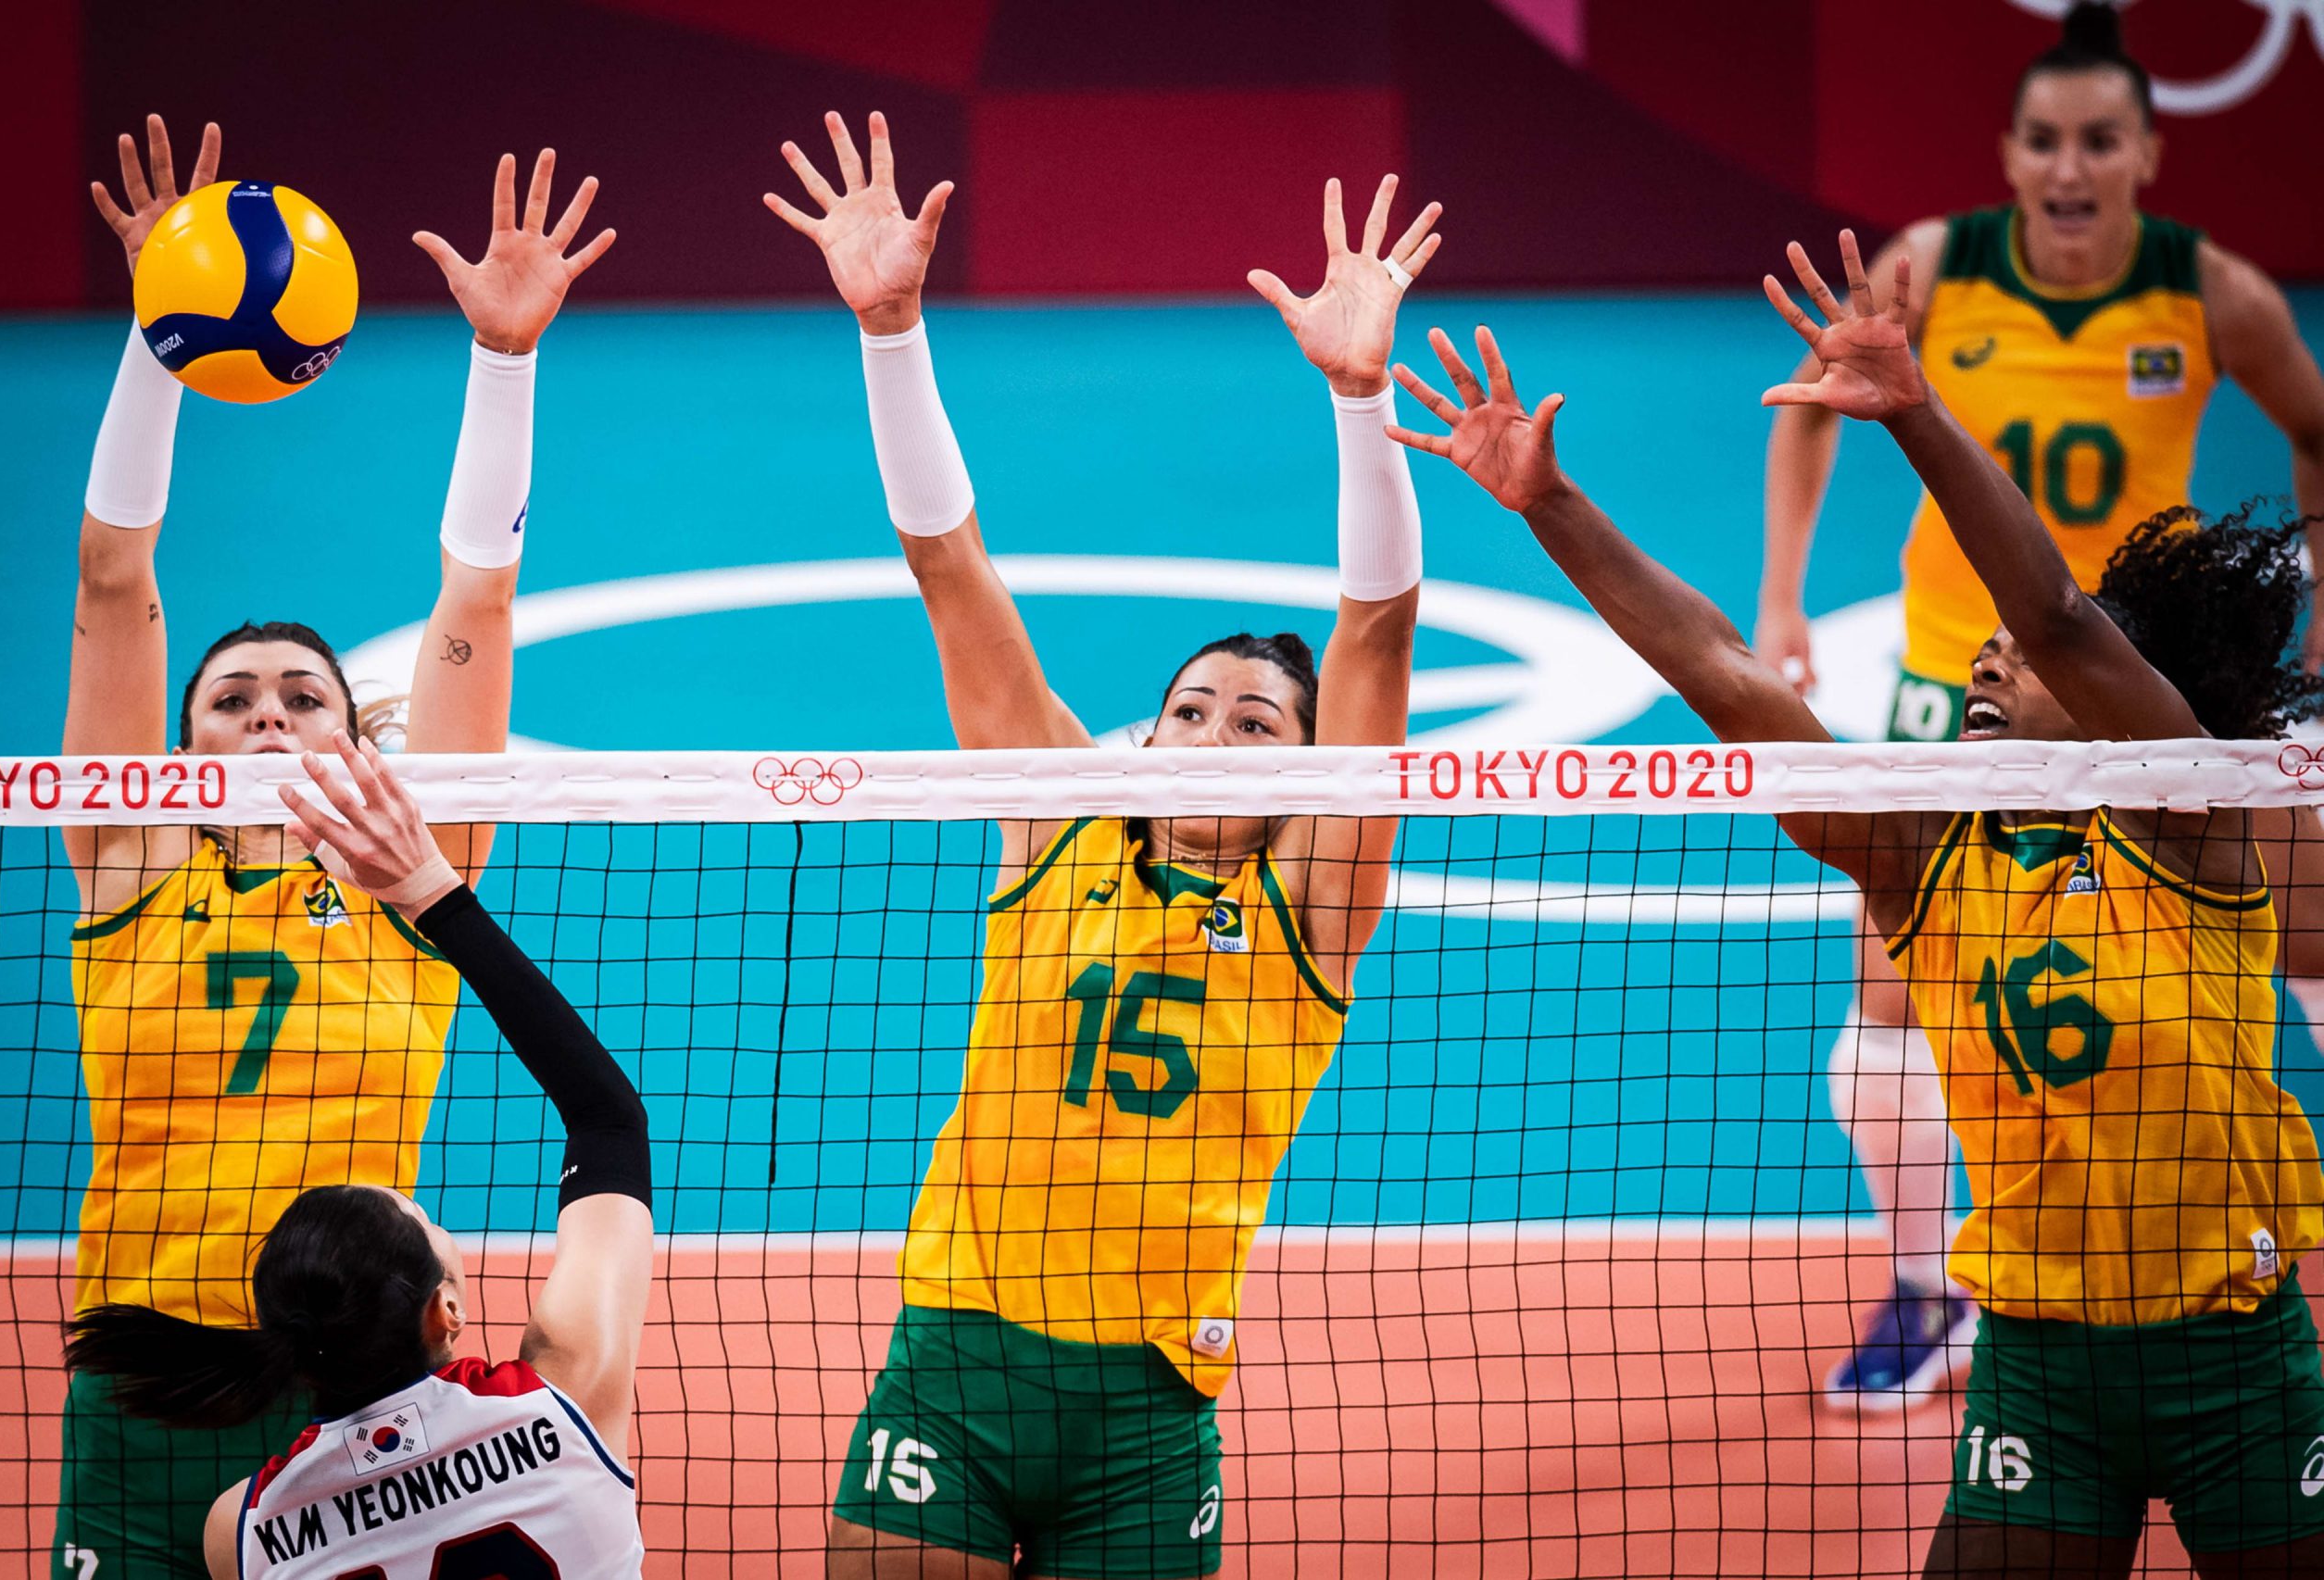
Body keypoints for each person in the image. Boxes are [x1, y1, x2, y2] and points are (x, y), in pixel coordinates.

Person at [1388, 232, 2324, 1578]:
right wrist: (1551, 506)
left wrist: (1919, 412)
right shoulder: (1922, 859)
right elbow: (1723, 669)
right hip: (2042, 1372)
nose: (1991, 656)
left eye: (2026, 658)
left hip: (2237, 1358)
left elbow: (2057, 611)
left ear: (2135, 704)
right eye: (1984, 649)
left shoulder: (2191, 828)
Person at [765, 112, 1434, 1577]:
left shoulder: (1317, 908)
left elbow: (1375, 630)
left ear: (1306, 775)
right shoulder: (1058, 826)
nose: (1209, 735)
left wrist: (1363, 400)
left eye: (1258, 726)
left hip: (1151, 1405)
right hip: (959, 1361)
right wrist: (890, 333)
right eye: (1189, 709)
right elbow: (953, 571)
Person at [58, 115, 613, 1577]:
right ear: (179, 755)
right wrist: (157, 328)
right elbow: (115, 584)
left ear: (356, 741)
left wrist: (505, 364)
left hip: (338, 1384)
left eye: (305, 696)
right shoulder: (130, 869)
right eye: (230, 700)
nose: (265, 716)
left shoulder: (402, 873)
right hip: (139, 1382)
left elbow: (475, 605)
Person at [1749, 0, 2324, 1410]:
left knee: (2303, 944)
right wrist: (1780, 599)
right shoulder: (1936, 267)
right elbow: (1819, 396)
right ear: (2009, 154)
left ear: (2148, 151)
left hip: (2152, 691)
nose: (2072, 169)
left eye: (2101, 142)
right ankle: (1924, 1286)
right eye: (2047, 141)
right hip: (1966, 691)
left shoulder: (2217, 293)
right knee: (1886, 1012)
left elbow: (2315, 432)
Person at [66, 734, 655, 1580]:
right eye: (417, 1214)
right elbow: (608, 1119)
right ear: (443, 1312)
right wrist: (433, 893)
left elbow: (608, 1126)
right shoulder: (567, 1405)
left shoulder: (247, 1529)